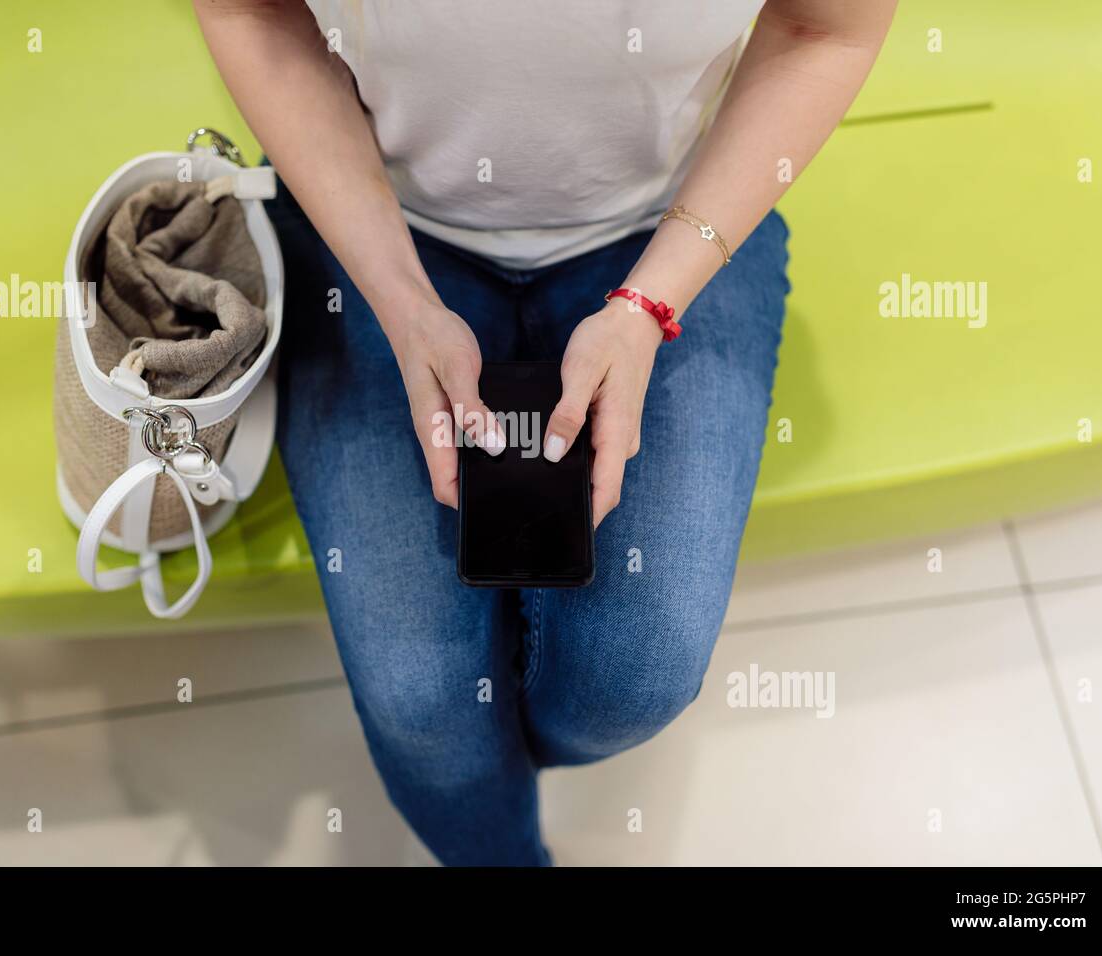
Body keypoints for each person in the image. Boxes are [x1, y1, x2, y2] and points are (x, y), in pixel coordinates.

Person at [194, 0, 896, 865]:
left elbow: (825, 26)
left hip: (672, 219)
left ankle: (502, 749)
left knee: (631, 681)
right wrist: (402, 300)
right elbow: (248, 12)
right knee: (421, 704)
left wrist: (648, 306)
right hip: (373, 214)